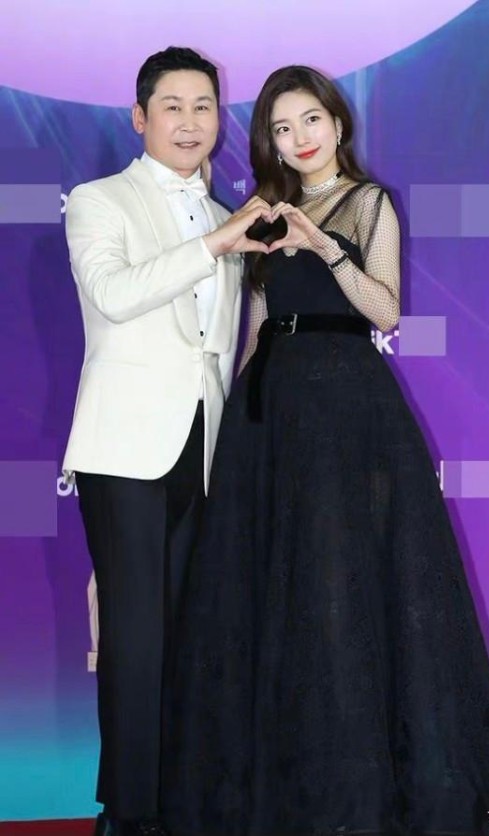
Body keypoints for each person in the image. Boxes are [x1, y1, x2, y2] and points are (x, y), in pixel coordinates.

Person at [161, 66, 489, 835]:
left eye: (309, 120)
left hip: (349, 411)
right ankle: (282, 790)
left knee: (343, 589)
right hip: (271, 415)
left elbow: (384, 310)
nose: (298, 138)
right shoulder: (263, 214)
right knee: (271, 597)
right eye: (281, 128)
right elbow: (254, 325)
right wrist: (237, 425)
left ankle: (356, 797)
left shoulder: (369, 203)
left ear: (337, 122)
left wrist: (325, 247)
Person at [62, 46, 270, 836]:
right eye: (173, 106)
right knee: (136, 635)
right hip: (125, 447)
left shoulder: (223, 216)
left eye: (204, 106)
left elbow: (224, 343)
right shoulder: (99, 200)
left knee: (188, 633)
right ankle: (130, 811)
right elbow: (112, 295)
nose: (189, 121)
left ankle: (178, 799)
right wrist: (214, 246)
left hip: (203, 446)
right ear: (140, 116)